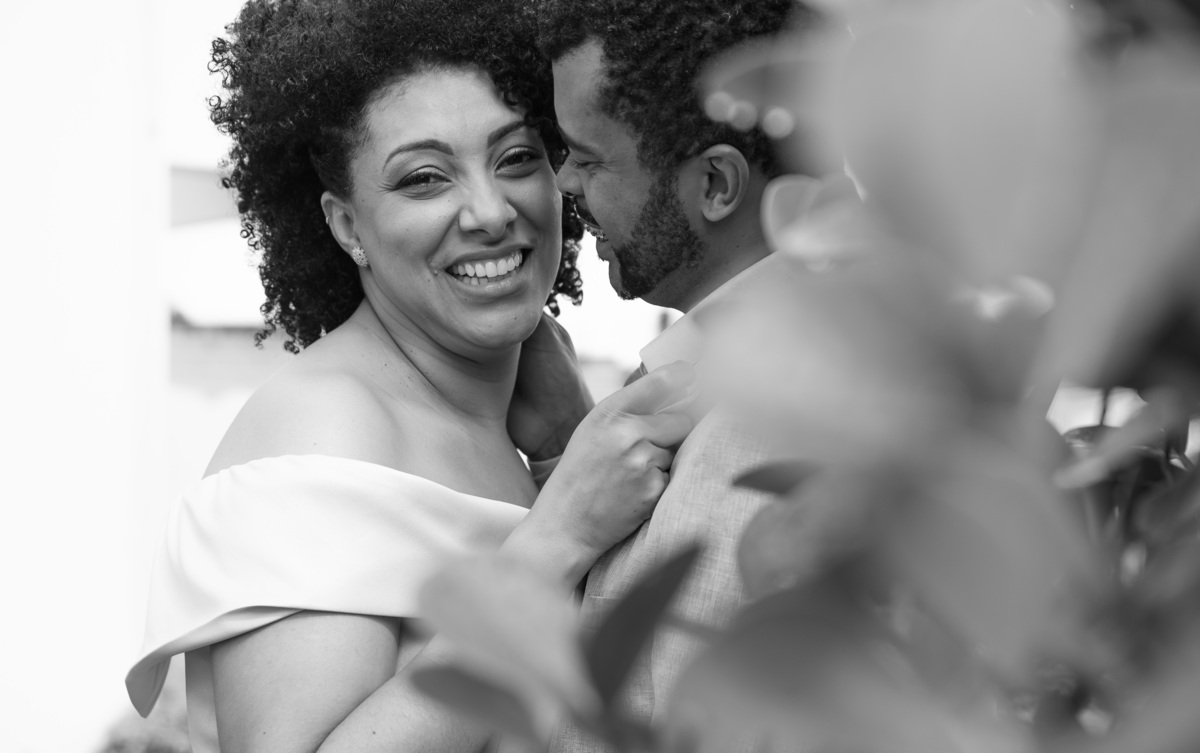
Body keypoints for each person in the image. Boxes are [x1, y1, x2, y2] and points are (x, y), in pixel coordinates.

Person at [123, 1, 694, 751]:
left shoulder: (512, 421)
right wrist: (557, 533)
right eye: (425, 179)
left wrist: (561, 448)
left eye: (518, 157)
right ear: (346, 225)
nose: (490, 211)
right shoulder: (324, 428)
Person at [536, 0, 836, 749]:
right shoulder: (806, 355)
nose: (563, 180)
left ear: (716, 186)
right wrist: (565, 442)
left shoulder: (764, 429)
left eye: (589, 156)